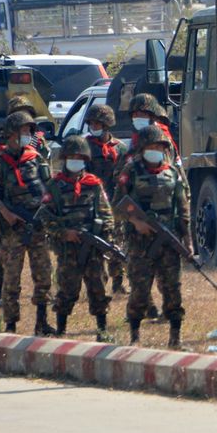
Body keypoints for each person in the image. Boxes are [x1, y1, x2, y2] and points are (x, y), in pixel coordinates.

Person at [0, 111, 55, 335]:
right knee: (11, 278)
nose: (28, 135)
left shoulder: (36, 158)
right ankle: (10, 324)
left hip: (37, 226)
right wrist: (4, 211)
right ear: (10, 134)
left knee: (43, 274)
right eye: (23, 131)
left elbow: (50, 188)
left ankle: (42, 321)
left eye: (30, 131)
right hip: (12, 229)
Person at [114, 126, 190, 347]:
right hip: (140, 243)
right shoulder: (131, 171)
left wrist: (188, 242)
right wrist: (136, 222)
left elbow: (183, 209)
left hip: (167, 240)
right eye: (151, 147)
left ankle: (175, 338)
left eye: (159, 147)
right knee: (140, 289)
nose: (156, 150)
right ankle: (135, 337)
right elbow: (117, 207)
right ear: (142, 148)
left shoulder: (172, 173)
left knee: (173, 288)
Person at [36, 136, 115, 340]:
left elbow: (106, 214)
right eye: (71, 157)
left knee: (98, 287)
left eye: (79, 157)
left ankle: (102, 330)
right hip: (67, 248)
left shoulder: (94, 185)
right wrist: (64, 233)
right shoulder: (55, 186)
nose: (75, 160)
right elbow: (44, 216)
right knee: (67, 288)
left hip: (92, 248)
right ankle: (61, 330)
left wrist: (104, 237)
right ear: (64, 159)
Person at [84, 104, 130, 295]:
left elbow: (125, 177)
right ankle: (97, 282)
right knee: (94, 246)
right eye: (91, 123)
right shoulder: (84, 146)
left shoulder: (120, 148)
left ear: (107, 125)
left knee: (117, 243)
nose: (94, 126)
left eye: (98, 123)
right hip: (91, 204)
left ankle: (118, 282)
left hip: (115, 203)